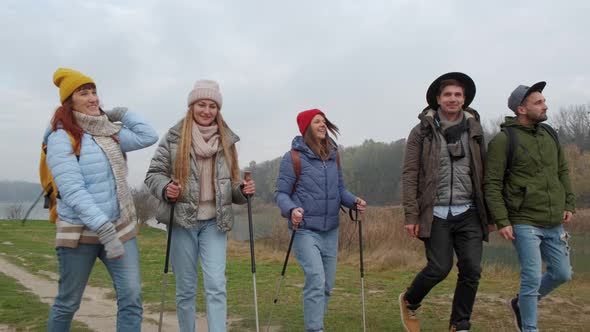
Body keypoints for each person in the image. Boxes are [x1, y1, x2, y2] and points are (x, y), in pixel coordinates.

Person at [45, 68, 158, 331]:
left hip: (120, 229)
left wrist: (123, 114)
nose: (93, 97)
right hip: (79, 235)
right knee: (68, 302)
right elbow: (72, 190)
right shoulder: (61, 137)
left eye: (94, 91)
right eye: (84, 93)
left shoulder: (109, 132)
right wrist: (103, 228)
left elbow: (147, 135)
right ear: (69, 101)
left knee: (132, 298)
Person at [144, 79, 255, 332]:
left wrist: (243, 191)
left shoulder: (227, 140)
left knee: (216, 284)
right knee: (186, 288)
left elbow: (232, 185)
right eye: (202, 104)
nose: (207, 111)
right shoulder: (173, 138)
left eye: (212, 106)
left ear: (218, 109)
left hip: (215, 223)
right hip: (182, 221)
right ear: (192, 106)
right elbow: (153, 174)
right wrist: (165, 188)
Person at [399, 72, 492, 332]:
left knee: (472, 269)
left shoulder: (475, 130)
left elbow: (484, 171)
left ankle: (459, 324)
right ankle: (410, 299)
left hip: (469, 211)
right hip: (435, 212)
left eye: (458, 95)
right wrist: (411, 215)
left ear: (464, 100)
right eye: (448, 95)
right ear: (438, 99)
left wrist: (491, 215)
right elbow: (409, 174)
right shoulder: (421, 132)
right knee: (440, 268)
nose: (453, 99)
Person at [484, 81, 575, 332]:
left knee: (562, 274)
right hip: (523, 221)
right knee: (531, 278)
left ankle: (520, 305)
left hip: (554, 220)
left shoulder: (550, 134)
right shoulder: (503, 140)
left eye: (544, 101)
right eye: (539, 102)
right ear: (521, 109)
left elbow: (562, 170)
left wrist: (568, 202)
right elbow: (491, 184)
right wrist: (502, 220)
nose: (545, 106)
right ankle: (529, 328)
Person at [275, 108, 366, 332]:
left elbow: (340, 190)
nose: (322, 124)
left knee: (327, 285)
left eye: (324, 121)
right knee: (316, 278)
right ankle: (315, 329)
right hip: (304, 229)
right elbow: (280, 194)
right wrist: (292, 209)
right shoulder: (293, 157)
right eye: (317, 121)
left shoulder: (333, 155)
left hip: (331, 229)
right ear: (306, 127)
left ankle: (316, 325)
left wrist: (354, 201)